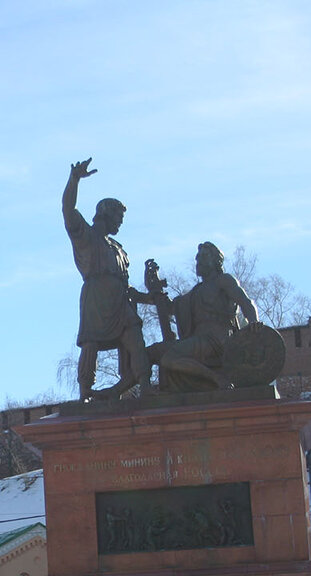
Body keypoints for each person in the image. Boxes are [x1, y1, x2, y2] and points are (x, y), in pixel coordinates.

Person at [63, 158, 151, 400]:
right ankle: (85, 392)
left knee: (135, 335)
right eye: (118, 218)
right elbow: (68, 211)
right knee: (90, 342)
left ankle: (144, 385)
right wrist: (74, 180)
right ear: (106, 214)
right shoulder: (86, 236)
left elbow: (128, 286)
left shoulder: (119, 249)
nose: (120, 223)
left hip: (121, 300)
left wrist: (151, 298)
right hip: (96, 297)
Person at [156, 241, 259, 392]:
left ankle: (217, 379)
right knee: (153, 353)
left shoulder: (224, 281)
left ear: (216, 261)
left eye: (204, 257)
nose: (199, 261)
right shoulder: (196, 292)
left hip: (218, 340)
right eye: (198, 258)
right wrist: (153, 291)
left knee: (168, 358)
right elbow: (172, 308)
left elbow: (245, 301)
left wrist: (254, 322)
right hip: (199, 341)